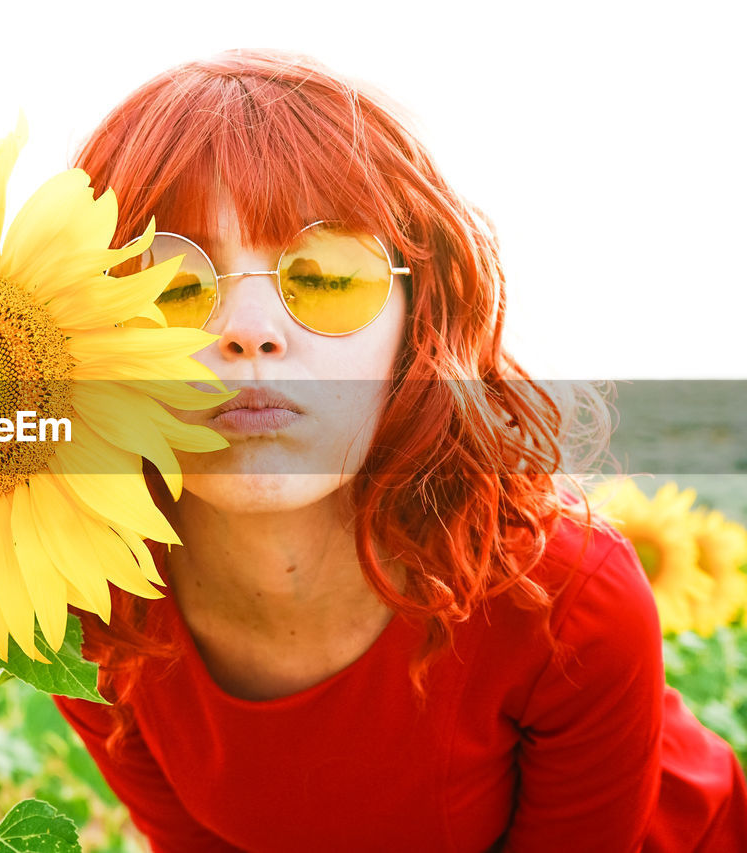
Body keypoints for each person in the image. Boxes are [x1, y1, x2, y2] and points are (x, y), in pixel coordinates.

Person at [51, 49, 747, 852]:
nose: (247, 330)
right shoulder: (80, 605)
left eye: (326, 277)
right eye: (169, 289)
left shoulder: (563, 600)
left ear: (416, 324)